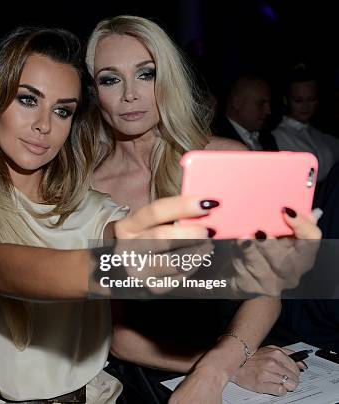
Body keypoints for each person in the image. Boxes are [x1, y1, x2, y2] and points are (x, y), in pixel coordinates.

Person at [0, 25, 320, 403]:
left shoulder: (89, 202)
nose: (43, 125)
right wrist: (121, 265)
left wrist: (250, 268)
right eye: (27, 99)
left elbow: (152, 250)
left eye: (63, 110)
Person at [85, 15, 317, 403]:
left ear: (168, 79)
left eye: (146, 74)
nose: (130, 94)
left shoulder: (227, 158)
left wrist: (220, 367)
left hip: (244, 345)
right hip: (147, 375)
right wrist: (216, 368)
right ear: (95, 91)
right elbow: (113, 333)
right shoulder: (89, 188)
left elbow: (266, 291)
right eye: (110, 79)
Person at [272, 66, 339, 183]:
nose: (305, 106)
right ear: (286, 100)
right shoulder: (277, 136)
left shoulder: (322, 135)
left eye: (311, 99)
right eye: (298, 100)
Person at [212, 74, 278, 151]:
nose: (268, 111)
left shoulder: (268, 139)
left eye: (268, 104)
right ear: (237, 103)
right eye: (261, 103)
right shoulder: (214, 136)